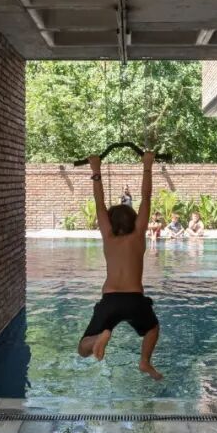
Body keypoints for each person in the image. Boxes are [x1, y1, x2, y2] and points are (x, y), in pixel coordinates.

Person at [77, 152, 163, 380]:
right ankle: (145, 362)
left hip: (110, 299)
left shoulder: (108, 237)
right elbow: (146, 198)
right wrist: (147, 165)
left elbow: (99, 203)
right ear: (134, 221)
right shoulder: (138, 236)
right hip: (135, 299)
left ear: (111, 222)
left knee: (83, 349)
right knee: (152, 328)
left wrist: (96, 170)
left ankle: (98, 338)